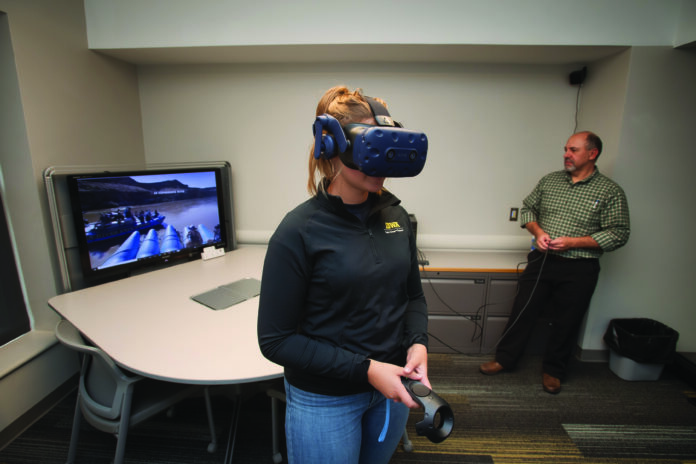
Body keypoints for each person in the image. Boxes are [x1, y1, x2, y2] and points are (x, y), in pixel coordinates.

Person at [257, 86, 430, 464]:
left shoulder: (397, 217)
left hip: (391, 385)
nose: (379, 164)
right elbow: (276, 341)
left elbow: (412, 296)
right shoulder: (298, 230)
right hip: (325, 400)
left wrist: (417, 342)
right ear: (331, 146)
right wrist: (366, 369)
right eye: (367, 149)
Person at [479, 131, 630, 394]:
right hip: (543, 260)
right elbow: (527, 209)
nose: (566, 155)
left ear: (592, 154)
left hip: (580, 267)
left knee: (567, 320)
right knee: (522, 311)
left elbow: (619, 233)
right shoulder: (550, 181)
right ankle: (505, 360)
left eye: (573, 150)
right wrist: (538, 233)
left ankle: (554, 370)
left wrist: (574, 242)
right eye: (566, 149)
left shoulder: (609, 191)